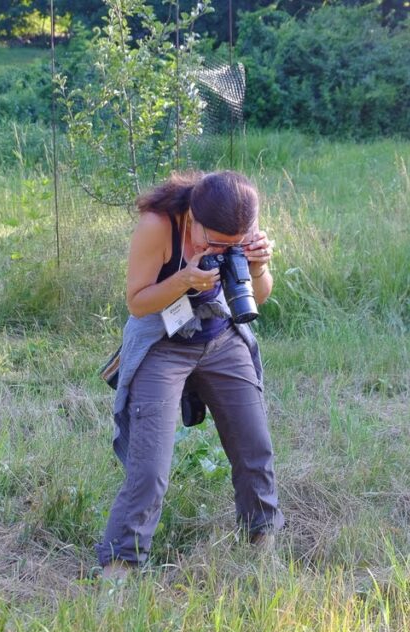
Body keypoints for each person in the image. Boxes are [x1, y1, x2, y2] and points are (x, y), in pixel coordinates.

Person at [96, 170, 285, 580]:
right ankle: (118, 569)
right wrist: (184, 279)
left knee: (255, 447)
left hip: (220, 336)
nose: (218, 250)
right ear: (193, 218)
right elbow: (137, 303)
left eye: (230, 244)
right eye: (212, 241)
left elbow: (259, 296)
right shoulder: (158, 225)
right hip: (162, 343)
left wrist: (258, 265)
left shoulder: (238, 221)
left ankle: (263, 545)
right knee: (149, 468)